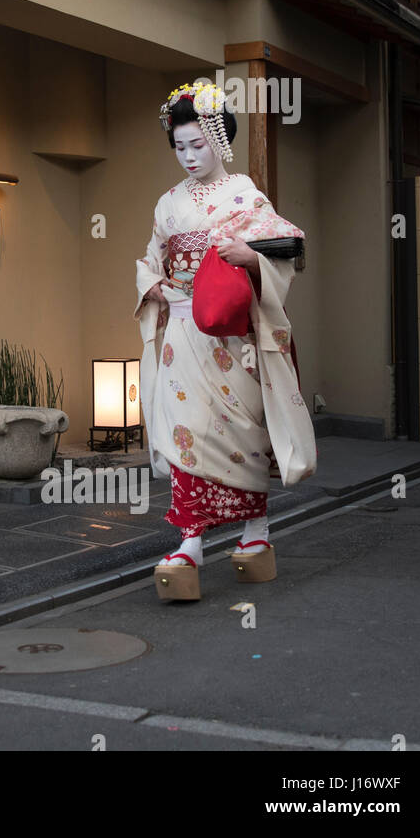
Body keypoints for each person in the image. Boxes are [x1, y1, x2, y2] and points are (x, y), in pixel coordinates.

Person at [135, 84, 317, 601]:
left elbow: (286, 251)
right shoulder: (167, 205)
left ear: (218, 138)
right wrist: (153, 286)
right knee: (188, 430)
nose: (189, 156)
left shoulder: (244, 195)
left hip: (231, 334)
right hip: (185, 334)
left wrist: (247, 255)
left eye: (198, 144)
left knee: (243, 433)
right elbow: (150, 258)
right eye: (180, 147)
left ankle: (255, 534)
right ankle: (190, 541)